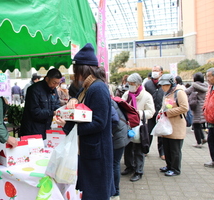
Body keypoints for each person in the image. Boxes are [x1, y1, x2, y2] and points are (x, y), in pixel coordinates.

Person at [55, 43, 114, 200]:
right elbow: (77, 96)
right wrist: (73, 100)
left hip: (97, 150)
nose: (76, 76)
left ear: (83, 70)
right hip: (88, 148)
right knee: (87, 190)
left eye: (76, 72)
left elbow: (99, 122)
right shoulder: (88, 86)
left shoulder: (98, 88)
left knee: (95, 192)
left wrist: (68, 127)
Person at [121, 73, 155, 182]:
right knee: (128, 147)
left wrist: (137, 113)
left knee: (138, 149)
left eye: (132, 84)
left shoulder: (146, 96)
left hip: (140, 126)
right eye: (129, 84)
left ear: (138, 84)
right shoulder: (127, 94)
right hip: (128, 125)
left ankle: (138, 171)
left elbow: (151, 112)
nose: (130, 86)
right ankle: (129, 166)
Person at [158, 74, 188, 176]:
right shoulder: (167, 93)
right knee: (167, 147)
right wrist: (160, 113)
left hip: (177, 125)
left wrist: (168, 113)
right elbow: (164, 107)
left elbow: (184, 107)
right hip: (167, 125)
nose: (163, 87)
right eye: (162, 85)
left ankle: (175, 169)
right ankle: (169, 166)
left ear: (171, 83)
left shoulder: (179, 92)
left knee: (175, 149)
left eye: (165, 85)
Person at [20, 68, 61, 139]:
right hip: (32, 129)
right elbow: (35, 112)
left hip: (46, 127)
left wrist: (61, 111)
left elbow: (56, 104)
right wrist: (52, 113)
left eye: (58, 83)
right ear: (47, 79)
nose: (55, 85)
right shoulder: (34, 90)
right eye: (54, 82)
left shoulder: (53, 90)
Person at [144, 65, 165, 160]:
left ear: (161, 72)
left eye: (156, 70)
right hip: (150, 112)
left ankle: (162, 152)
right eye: (153, 70)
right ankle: (145, 150)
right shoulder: (147, 84)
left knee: (161, 133)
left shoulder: (165, 83)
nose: (154, 72)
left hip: (161, 112)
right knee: (148, 132)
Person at [185, 72, 208, 148]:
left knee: (195, 125)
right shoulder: (206, 85)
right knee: (199, 124)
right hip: (204, 106)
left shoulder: (194, 86)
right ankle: (203, 138)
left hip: (197, 106)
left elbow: (186, 91)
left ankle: (199, 142)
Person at [203, 68, 214, 168]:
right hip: (210, 120)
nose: (207, 78)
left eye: (209, 76)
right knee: (211, 140)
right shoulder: (210, 87)